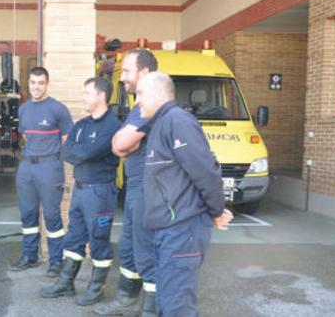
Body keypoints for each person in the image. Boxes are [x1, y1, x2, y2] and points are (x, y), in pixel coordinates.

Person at [136, 72, 234, 317]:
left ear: (159, 93)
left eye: (140, 94)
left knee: (177, 307)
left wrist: (216, 210)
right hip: (167, 230)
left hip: (181, 231)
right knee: (168, 302)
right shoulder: (160, 124)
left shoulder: (177, 121)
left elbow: (205, 170)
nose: (137, 100)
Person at [40, 77, 120, 306]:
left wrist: (80, 153)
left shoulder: (111, 126)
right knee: (74, 237)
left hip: (100, 193)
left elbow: (85, 154)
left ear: (101, 96)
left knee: (98, 240)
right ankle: (66, 283)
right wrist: (80, 153)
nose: (83, 97)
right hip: (80, 190)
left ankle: (96, 288)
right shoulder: (83, 124)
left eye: (87, 93)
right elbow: (67, 152)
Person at [95, 49, 159, 316]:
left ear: (144, 72)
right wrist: (125, 143)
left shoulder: (150, 105)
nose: (123, 79)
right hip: (136, 185)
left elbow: (120, 144)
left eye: (128, 71)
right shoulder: (137, 106)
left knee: (145, 246)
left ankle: (153, 308)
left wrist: (125, 142)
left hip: (148, 186)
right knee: (130, 244)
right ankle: (126, 298)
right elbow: (120, 146)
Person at [10, 66, 74, 277]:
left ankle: (56, 261)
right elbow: (26, 137)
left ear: (47, 84)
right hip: (27, 166)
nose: (36, 87)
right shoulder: (23, 109)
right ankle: (30, 255)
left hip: (49, 167)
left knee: (52, 215)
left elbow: (68, 141)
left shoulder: (58, 109)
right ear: (28, 84)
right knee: (27, 214)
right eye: (33, 83)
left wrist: (55, 162)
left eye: (40, 83)